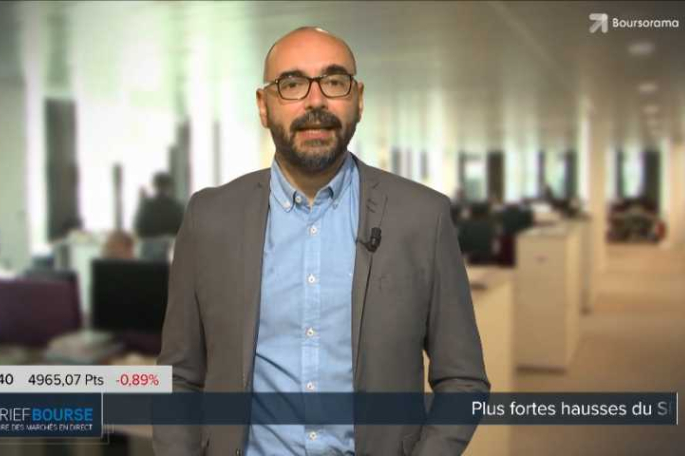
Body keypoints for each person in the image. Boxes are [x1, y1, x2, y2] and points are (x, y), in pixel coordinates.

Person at [154, 27, 489, 456]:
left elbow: (464, 381)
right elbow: (178, 377)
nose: (315, 101)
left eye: (334, 81)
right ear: (263, 106)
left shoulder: (424, 217)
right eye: (292, 84)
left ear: (359, 100)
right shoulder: (209, 218)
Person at [134, 172, 185, 238]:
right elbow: (182, 230)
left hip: (150, 243)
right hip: (172, 242)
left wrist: (141, 202)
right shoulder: (177, 207)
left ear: (154, 185)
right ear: (169, 186)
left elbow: (139, 230)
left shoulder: (147, 206)